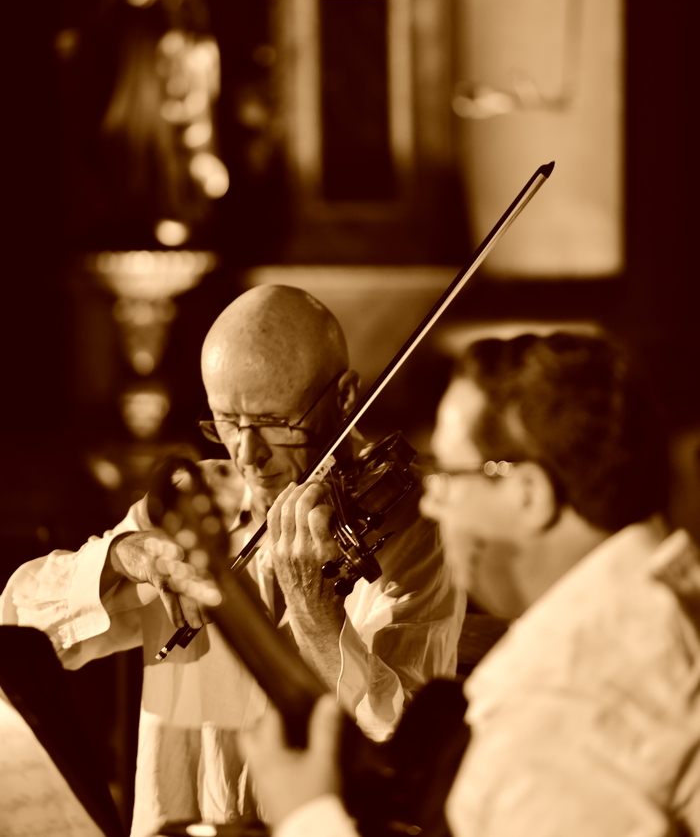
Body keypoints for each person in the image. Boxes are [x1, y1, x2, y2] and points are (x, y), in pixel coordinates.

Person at [0, 285, 463, 837]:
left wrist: (317, 616)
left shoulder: (418, 529)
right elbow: (19, 626)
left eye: (273, 423)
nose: (247, 456)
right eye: (225, 421)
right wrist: (121, 556)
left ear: (345, 396)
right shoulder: (197, 502)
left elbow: (404, 748)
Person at [241, 331, 700, 837]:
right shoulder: (672, 598)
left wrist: (309, 817)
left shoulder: (555, 707)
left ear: (528, 494)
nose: (431, 502)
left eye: (449, 475)